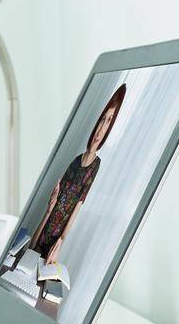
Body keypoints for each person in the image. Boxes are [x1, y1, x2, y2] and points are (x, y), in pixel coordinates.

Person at [28, 84, 127, 265]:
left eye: (109, 121)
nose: (101, 128)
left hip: (54, 242)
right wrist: (49, 211)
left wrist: (61, 241)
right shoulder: (75, 161)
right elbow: (52, 206)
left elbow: (77, 208)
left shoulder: (95, 166)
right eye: (102, 119)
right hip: (43, 232)